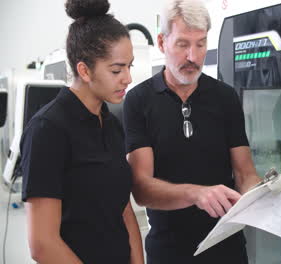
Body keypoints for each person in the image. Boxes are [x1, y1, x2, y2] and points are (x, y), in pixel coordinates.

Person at [123, 0, 261, 263]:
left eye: (200, 44)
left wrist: (262, 193)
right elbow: (141, 189)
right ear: (162, 43)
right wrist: (197, 194)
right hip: (170, 251)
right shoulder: (139, 101)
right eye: (183, 44)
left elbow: (245, 173)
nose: (193, 57)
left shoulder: (225, 97)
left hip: (227, 248)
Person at [20, 0, 144, 263]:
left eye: (129, 66)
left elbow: (123, 210)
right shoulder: (47, 130)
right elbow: (42, 244)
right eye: (116, 69)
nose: (128, 78)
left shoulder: (111, 124)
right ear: (84, 70)